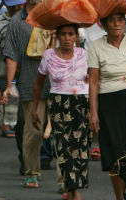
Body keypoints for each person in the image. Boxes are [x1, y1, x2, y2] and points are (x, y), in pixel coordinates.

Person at [88, 12, 126, 200]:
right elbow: (94, 82)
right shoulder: (96, 46)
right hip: (108, 103)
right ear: (103, 25)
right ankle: (119, 197)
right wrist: (93, 113)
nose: (116, 24)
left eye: (120, 20)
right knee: (115, 152)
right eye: (111, 21)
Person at [32, 24, 90, 200]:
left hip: (81, 102)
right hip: (59, 102)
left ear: (76, 37)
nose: (67, 38)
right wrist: (35, 109)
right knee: (63, 148)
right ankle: (73, 190)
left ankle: (72, 188)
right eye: (63, 34)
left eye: (70, 34)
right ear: (57, 36)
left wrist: (95, 110)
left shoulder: (84, 54)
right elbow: (39, 83)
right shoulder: (48, 55)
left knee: (80, 148)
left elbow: (94, 80)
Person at [3, 0, 49, 188]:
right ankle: (32, 172)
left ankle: (66, 179)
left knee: (63, 132)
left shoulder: (54, 15)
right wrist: (10, 85)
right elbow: (11, 55)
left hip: (60, 84)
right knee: (33, 132)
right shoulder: (16, 22)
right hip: (31, 84)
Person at [0, 0, 26, 138]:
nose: (17, 8)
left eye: (19, 4)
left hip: (25, 70)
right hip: (4, 70)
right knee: (6, 96)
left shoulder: (29, 19)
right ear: (5, 4)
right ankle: (6, 123)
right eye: (13, 5)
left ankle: (14, 123)